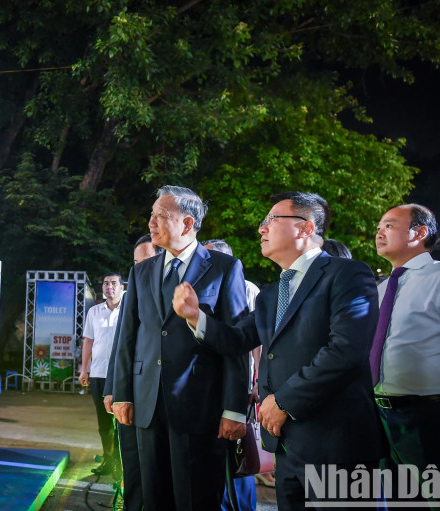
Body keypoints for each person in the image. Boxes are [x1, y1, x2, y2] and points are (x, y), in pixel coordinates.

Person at [174, 191, 383, 509]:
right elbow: (236, 340)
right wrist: (195, 317)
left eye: (271, 220)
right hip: (285, 443)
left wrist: (284, 401)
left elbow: (346, 352)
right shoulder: (271, 295)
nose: (262, 228)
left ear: (305, 227)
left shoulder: (348, 275)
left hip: (335, 442)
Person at [112, 186, 249, 510]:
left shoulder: (225, 268)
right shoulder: (141, 271)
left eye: (160, 215)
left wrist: (234, 409)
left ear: (188, 223)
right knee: (153, 497)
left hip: (201, 408)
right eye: (151, 214)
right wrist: (122, 393)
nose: (151, 222)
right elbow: (128, 337)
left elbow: (236, 343)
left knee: (196, 498)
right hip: (147, 404)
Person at [373, 205, 440, 487]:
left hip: (432, 416)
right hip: (382, 416)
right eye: (378, 227)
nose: (379, 232)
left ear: (419, 232)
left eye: (389, 225)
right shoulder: (381, 289)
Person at [103, 233, 161, 511]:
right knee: (131, 462)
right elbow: (120, 345)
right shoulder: (131, 296)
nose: (139, 268)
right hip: (129, 394)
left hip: (158, 395)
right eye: (136, 263)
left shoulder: (176, 292)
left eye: (145, 261)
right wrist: (112, 389)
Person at [202, 239, 260, 511]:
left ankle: (242, 505)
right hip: (211, 386)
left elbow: (256, 341)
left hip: (241, 386)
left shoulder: (248, 289)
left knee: (239, 453)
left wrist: (256, 381)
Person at [80, 273, 124, 477]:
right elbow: (88, 341)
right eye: (106, 283)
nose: (109, 286)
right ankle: (109, 460)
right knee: (104, 421)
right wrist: (84, 369)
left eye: (114, 283)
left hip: (122, 375)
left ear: (122, 287)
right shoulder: (94, 312)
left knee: (122, 420)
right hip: (98, 374)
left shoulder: (128, 311)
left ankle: (122, 463)